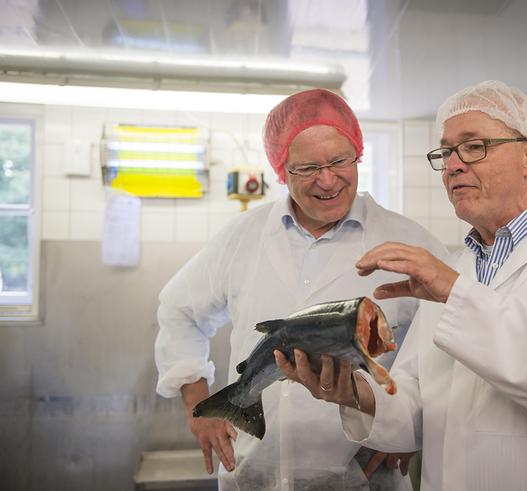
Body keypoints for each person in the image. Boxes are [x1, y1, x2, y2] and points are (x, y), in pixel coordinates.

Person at [276, 80, 527, 490]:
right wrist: (353, 391)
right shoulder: (459, 267)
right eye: (446, 152)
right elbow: (416, 403)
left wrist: (455, 292)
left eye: (474, 147)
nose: (453, 164)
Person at [154, 89, 448, 491]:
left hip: (362, 480)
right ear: (281, 170)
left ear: (358, 153)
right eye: (307, 168)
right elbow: (179, 310)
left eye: (340, 161)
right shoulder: (244, 236)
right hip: (253, 476)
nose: (327, 180)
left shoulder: (411, 243)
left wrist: (416, 428)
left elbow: (447, 352)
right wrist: (195, 399)